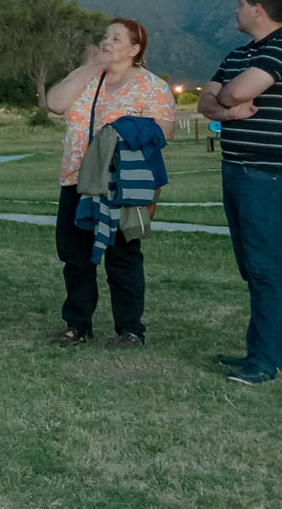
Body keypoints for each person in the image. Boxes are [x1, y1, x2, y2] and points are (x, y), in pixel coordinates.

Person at [198, 0, 282, 385]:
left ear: (259, 8)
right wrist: (227, 109)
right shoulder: (239, 54)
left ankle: (264, 360)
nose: (235, 9)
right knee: (252, 265)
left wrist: (225, 97)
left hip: (266, 173)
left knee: (263, 266)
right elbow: (205, 102)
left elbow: (233, 91)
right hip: (236, 167)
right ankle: (274, 350)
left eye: (240, 3)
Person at [43, 19, 176, 348]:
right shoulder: (88, 77)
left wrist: (125, 130)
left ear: (134, 49)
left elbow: (165, 131)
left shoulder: (151, 86)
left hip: (121, 183)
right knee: (75, 256)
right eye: (105, 36)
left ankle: (130, 329)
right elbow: (55, 103)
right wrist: (89, 68)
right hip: (76, 180)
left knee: (123, 256)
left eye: (116, 39)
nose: (107, 42)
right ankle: (77, 324)